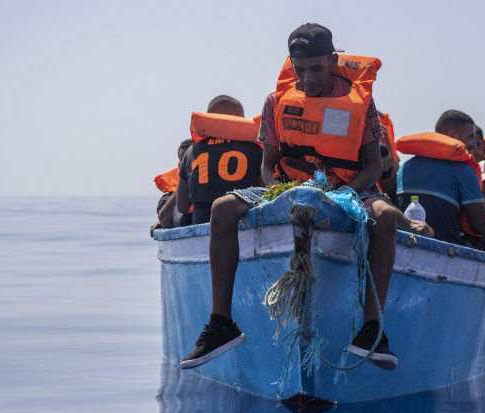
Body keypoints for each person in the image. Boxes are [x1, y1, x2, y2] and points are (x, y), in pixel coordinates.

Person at [179, 23, 431, 372]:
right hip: (287, 187)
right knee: (222, 209)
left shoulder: (360, 103)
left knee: (386, 217)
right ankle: (221, 323)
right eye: (300, 70)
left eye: (316, 68)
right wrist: (281, 192)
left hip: (350, 187)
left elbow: (373, 167)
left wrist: (342, 194)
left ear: (331, 59)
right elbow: (267, 167)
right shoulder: (276, 101)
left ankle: (373, 329)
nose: (308, 78)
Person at [396, 110, 485, 251]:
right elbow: (481, 227)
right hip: (444, 245)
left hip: (404, 242)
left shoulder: (406, 166)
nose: (473, 144)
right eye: (470, 137)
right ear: (452, 135)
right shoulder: (464, 170)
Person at [172, 95, 264, 224]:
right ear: (234, 118)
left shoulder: (191, 151)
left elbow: (182, 206)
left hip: (201, 221)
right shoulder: (255, 149)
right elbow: (264, 193)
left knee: (176, 214)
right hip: (241, 220)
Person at [150, 138, 193, 235]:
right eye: (185, 161)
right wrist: (184, 182)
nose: (190, 164)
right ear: (180, 165)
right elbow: (165, 220)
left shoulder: (214, 184)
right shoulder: (167, 198)